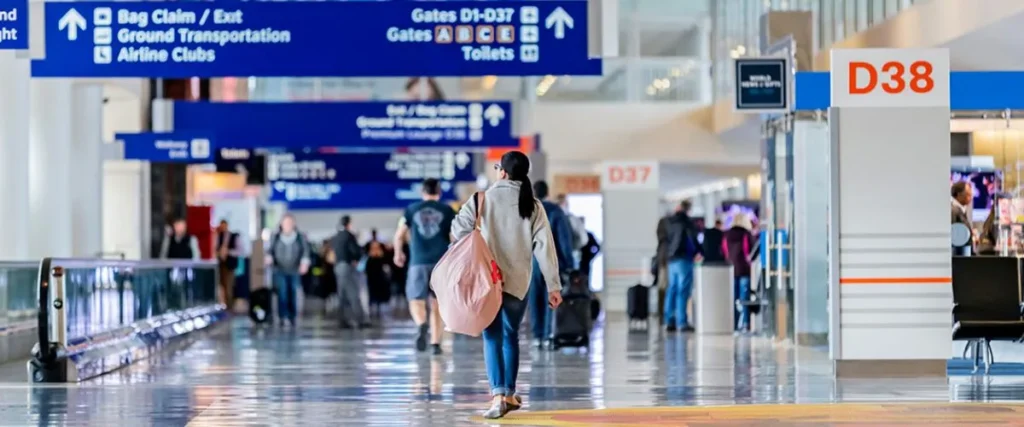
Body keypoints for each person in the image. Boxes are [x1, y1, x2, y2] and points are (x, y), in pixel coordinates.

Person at [450, 151, 563, 420]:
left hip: (486, 282)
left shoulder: (481, 199)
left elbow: (457, 231)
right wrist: (553, 286)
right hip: (518, 282)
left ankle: (498, 396)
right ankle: (510, 395)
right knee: (511, 336)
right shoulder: (533, 205)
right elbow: (545, 248)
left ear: (501, 171)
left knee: (492, 336)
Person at [394, 178, 456, 355]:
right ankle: (436, 344)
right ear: (439, 192)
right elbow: (454, 237)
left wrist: (398, 253)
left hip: (417, 262)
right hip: (441, 263)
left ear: (422, 192)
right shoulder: (447, 210)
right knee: (438, 305)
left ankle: (422, 324)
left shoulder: (411, 210)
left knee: (416, 300)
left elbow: (399, 235)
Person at [527, 180, 576, 348]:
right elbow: (564, 240)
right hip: (551, 261)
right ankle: (549, 334)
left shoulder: (527, 211)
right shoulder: (556, 211)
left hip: (531, 262)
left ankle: (537, 335)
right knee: (552, 297)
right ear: (547, 192)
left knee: (534, 299)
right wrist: (569, 264)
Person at [663, 200, 702, 332]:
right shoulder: (686, 222)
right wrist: (699, 251)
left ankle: (669, 320)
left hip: (671, 259)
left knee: (672, 289)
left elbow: (666, 240)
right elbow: (692, 238)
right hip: (684, 258)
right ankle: (682, 322)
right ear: (688, 209)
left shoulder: (669, 222)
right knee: (683, 291)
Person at [265, 214, 310, 327]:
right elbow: (270, 251)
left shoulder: (299, 237)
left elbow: (305, 251)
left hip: (294, 270)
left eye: (290, 223)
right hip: (279, 269)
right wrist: (269, 258)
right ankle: (282, 316)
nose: (288, 225)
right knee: (282, 292)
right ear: (281, 224)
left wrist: (304, 263)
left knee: (293, 292)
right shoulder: (275, 237)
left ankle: (292, 316)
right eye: (286, 223)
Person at [330, 215, 370, 329]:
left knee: (342, 295)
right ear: (349, 224)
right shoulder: (349, 236)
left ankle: (343, 320)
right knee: (353, 293)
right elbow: (356, 250)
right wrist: (357, 258)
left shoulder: (336, 236)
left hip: (338, 267)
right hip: (347, 267)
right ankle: (360, 320)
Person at [722, 213, 754, 332]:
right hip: (744, 269)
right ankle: (746, 323)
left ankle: (734, 324)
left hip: (731, 269)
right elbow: (750, 251)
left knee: (733, 298)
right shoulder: (746, 234)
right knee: (744, 298)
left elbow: (724, 251)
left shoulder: (727, 234)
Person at [364, 229, 392, 317]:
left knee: (377, 287)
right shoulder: (370, 245)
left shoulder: (377, 245)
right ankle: (374, 302)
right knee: (373, 287)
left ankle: (377, 302)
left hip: (377, 268)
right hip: (373, 269)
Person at [215, 220, 242, 309]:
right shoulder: (219, 236)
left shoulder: (234, 236)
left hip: (230, 265)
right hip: (221, 265)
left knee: (229, 286)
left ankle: (230, 307)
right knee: (222, 285)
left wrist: (228, 252)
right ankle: (224, 305)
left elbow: (240, 251)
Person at [578, 221, 601, 290]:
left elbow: (597, 247)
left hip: (584, 261)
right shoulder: (575, 234)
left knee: (585, 280)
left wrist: (590, 256)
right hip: (579, 261)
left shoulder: (588, 234)